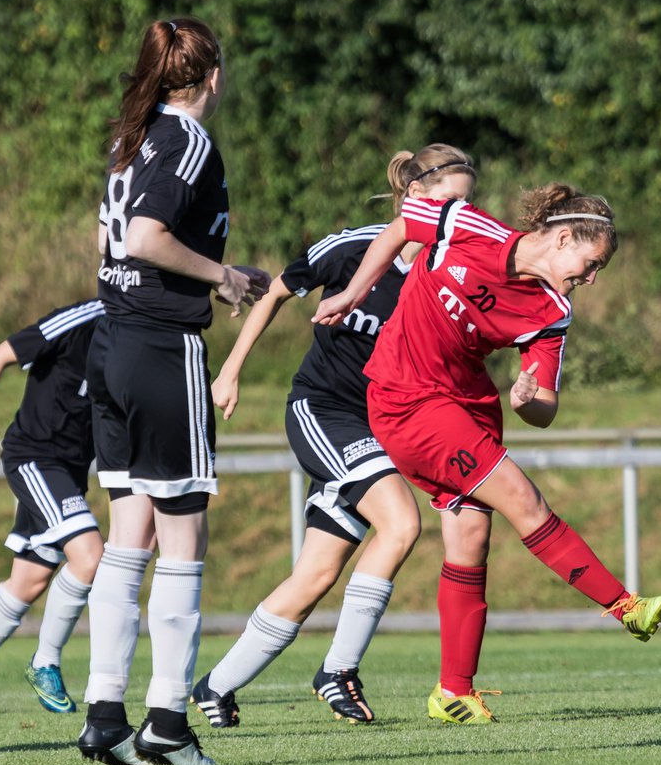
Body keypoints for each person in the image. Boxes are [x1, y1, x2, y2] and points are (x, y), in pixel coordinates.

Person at [312, 183, 661, 724]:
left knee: (471, 537)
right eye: (591, 263)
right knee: (524, 500)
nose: (591, 278)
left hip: (469, 406)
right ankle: (625, 605)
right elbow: (403, 226)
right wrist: (354, 293)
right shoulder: (469, 225)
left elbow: (546, 405)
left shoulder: (552, 311)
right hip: (406, 401)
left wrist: (528, 399)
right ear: (565, 237)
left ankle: (453, 691)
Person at [189, 144, 475, 729]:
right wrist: (231, 370)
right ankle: (338, 670)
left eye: (468, 205)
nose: (459, 216)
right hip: (322, 411)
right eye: (451, 203)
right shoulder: (353, 248)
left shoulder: (447, 272)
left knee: (316, 574)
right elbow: (276, 292)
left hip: (380, 426)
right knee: (401, 524)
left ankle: (214, 687)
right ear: (414, 199)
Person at [77, 16, 269, 765]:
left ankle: (103, 715)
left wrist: (200, 275)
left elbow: (107, 245)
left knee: (130, 537)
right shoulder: (186, 140)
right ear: (211, 77)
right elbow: (145, 237)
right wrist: (222, 276)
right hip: (160, 349)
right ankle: (166, 723)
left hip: (113, 343)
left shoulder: (133, 136)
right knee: (184, 539)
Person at [0, 301, 107, 717]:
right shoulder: (84, 319)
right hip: (35, 458)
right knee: (90, 555)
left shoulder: (143, 334)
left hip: (71, 470)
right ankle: (45, 661)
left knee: (27, 581)